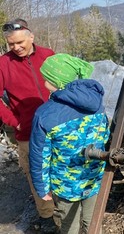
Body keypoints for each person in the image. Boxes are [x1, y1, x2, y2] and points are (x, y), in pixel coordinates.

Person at [29, 54, 111, 234]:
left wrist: (42, 188)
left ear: (58, 82)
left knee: (69, 225)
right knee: (93, 222)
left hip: (65, 183)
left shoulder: (45, 114)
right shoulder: (97, 104)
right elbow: (104, 135)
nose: (44, 83)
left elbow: (39, 155)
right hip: (93, 177)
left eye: (47, 79)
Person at [0, 18, 57, 233]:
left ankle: (66, 208)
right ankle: (47, 216)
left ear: (31, 37)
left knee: (59, 168)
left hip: (55, 127)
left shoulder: (48, 55)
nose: (16, 48)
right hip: (27, 132)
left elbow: (65, 84)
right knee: (37, 174)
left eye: (19, 42)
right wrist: (16, 122)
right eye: (11, 44)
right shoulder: (3, 63)